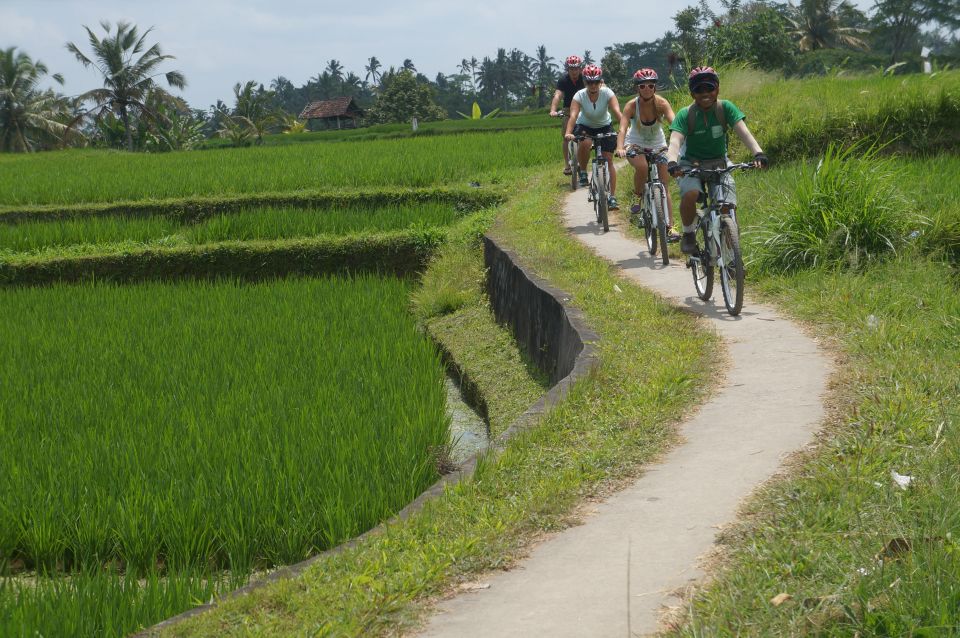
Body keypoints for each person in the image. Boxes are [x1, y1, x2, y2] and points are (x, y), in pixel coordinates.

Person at [666, 66, 768, 254]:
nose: (705, 93)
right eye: (699, 90)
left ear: (717, 89)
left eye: (709, 88)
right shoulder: (685, 114)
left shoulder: (725, 108)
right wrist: (672, 162)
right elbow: (675, 141)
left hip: (719, 163)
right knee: (690, 193)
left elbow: (744, 132)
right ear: (692, 93)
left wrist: (758, 153)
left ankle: (731, 258)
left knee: (727, 208)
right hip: (691, 164)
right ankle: (688, 233)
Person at [615, 68, 679, 241]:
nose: (647, 89)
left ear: (655, 87)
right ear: (637, 88)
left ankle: (670, 227)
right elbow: (622, 127)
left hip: (658, 144)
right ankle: (638, 197)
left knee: (664, 185)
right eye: (642, 86)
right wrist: (620, 147)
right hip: (635, 143)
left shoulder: (662, 103)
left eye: (651, 85)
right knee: (642, 167)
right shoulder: (631, 105)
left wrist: (680, 143)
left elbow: (675, 124)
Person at [564, 64, 623, 211]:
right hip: (585, 126)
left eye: (596, 82)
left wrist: (624, 130)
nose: (593, 85)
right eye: (590, 82)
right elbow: (573, 115)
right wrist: (569, 132)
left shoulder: (607, 93)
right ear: (585, 83)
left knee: (608, 159)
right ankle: (583, 171)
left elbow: (617, 112)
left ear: (600, 82)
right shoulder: (579, 95)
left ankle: (612, 197)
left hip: (605, 125)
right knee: (585, 143)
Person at [550, 55, 585, 176]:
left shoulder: (584, 79)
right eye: (571, 69)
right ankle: (567, 165)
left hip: (583, 108)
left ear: (580, 69)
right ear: (568, 69)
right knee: (566, 137)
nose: (574, 71)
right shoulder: (563, 80)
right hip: (568, 109)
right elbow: (558, 95)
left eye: (576, 69)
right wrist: (553, 110)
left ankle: (582, 161)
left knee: (584, 136)